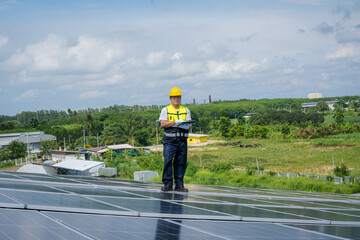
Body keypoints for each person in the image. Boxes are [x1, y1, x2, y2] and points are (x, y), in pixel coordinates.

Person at [159, 87, 191, 192]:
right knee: (168, 161)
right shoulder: (166, 110)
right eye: (174, 97)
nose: (176, 99)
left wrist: (185, 123)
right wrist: (175, 122)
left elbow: (189, 123)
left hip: (182, 141)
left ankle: (179, 184)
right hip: (170, 141)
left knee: (181, 162)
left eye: (177, 97)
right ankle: (167, 184)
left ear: (180, 98)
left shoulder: (185, 110)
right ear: (170, 98)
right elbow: (162, 123)